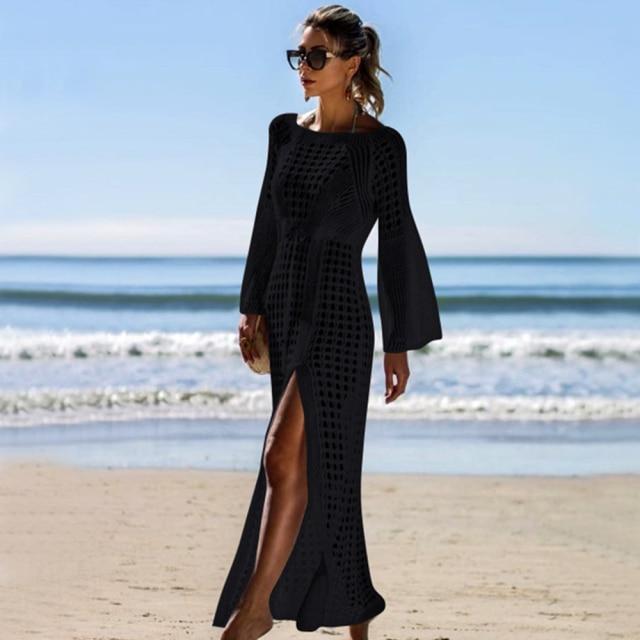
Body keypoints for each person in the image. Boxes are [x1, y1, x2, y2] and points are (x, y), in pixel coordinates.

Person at [212, 5, 442, 639]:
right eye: (300, 56)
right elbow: (266, 223)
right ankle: (355, 613)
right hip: (285, 310)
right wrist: (251, 305)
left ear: (352, 62)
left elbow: (397, 240)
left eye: (317, 56)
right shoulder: (284, 134)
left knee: (281, 455)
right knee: (326, 471)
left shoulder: (381, 147)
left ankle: (255, 611)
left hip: (340, 318)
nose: (304, 68)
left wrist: (398, 344)